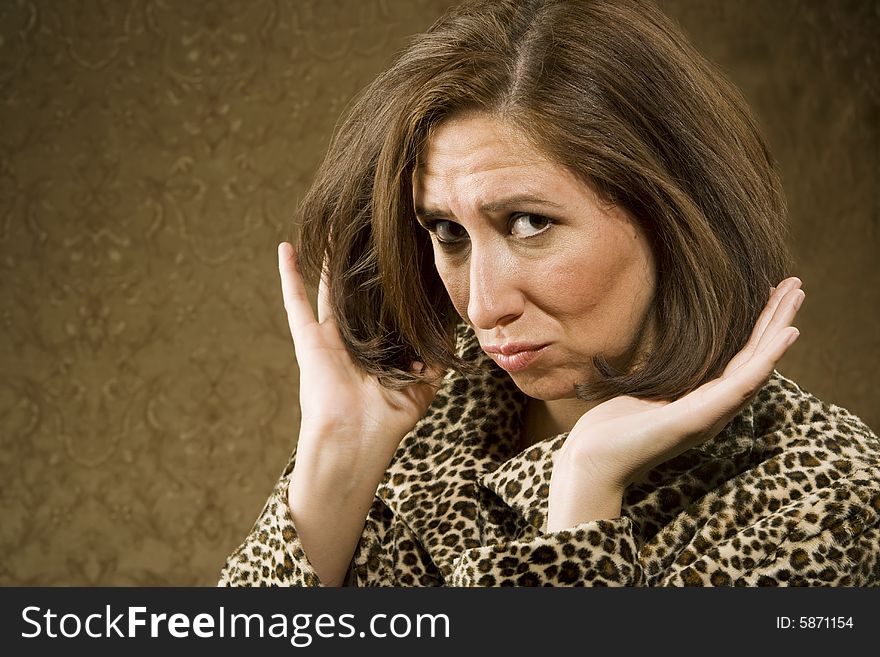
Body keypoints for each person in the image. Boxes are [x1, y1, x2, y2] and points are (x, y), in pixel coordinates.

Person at [219, 0, 879, 586]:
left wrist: (585, 488)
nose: (481, 307)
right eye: (448, 232)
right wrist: (339, 445)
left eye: (529, 223)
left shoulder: (822, 495)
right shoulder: (424, 415)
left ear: (672, 212)